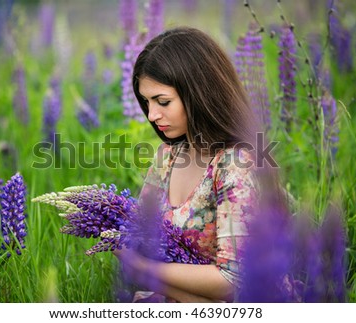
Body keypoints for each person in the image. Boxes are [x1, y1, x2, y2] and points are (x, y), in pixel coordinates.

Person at [114, 26, 283, 303]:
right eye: (146, 102)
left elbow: (233, 281)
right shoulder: (166, 157)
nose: (152, 115)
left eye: (163, 101)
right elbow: (143, 240)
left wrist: (145, 270)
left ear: (198, 93)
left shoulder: (234, 164)